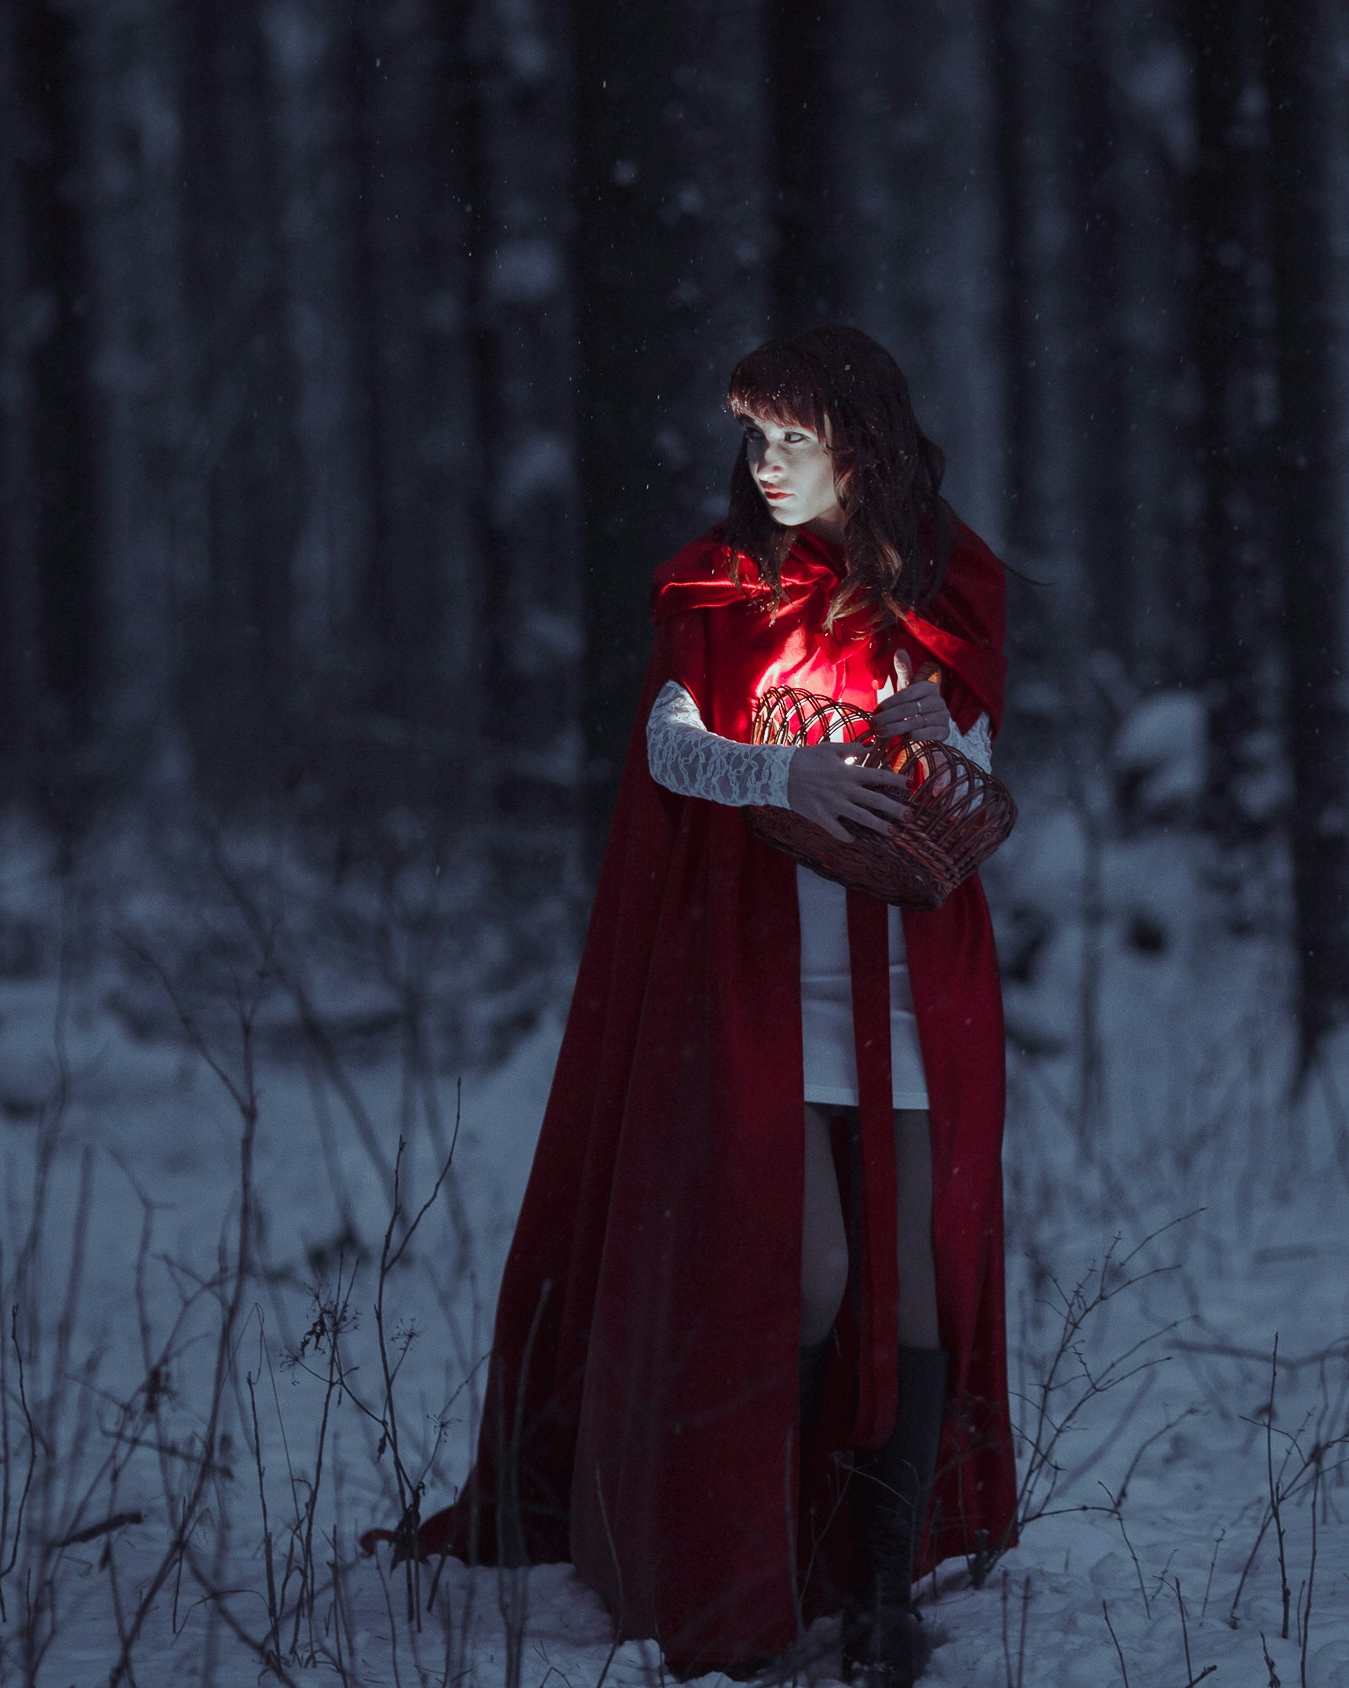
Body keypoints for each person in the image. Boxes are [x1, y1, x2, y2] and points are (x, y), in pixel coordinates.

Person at [399, 325, 1018, 1683]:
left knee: (912, 1278)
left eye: (795, 439)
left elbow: (977, 764)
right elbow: (670, 748)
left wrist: (936, 737)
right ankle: (765, 1563)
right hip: (759, 984)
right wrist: (778, 777)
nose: (768, 464)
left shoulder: (944, 588)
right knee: (801, 1272)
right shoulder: (721, 586)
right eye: (756, 438)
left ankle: (874, 1597)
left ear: (863, 443)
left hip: (907, 979)